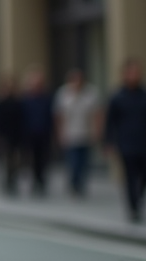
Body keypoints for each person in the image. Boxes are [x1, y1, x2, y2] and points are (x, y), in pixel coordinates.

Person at [105, 58, 146, 223]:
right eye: (131, 72)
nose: (134, 75)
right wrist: (108, 142)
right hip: (126, 143)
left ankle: (139, 198)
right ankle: (133, 208)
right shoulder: (117, 97)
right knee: (130, 176)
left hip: (144, 143)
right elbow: (110, 121)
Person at [54, 68, 101, 197]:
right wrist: (60, 133)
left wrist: (97, 131)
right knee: (73, 161)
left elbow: (96, 114)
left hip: (86, 134)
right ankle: (74, 184)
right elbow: (59, 115)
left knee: (84, 162)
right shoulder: (63, 94)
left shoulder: (90, 93)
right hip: (70, 134)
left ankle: (81, 184)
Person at [21, 66, 54, 197]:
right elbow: (22, 117)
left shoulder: (47, 98)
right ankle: (35, 180)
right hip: (30, 133)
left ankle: (41, 180)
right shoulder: (26, 99)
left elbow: (51, 116)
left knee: (44, 159)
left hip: (44, 133)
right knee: (33, 159)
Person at [0, 75, 24, 196]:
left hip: (15, 136)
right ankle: (6, 181)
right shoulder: (1, 103)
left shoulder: (18, 102)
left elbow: (21, 120)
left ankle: (13, 179)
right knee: (5, 160)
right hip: (4, 137)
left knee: (15, 160)